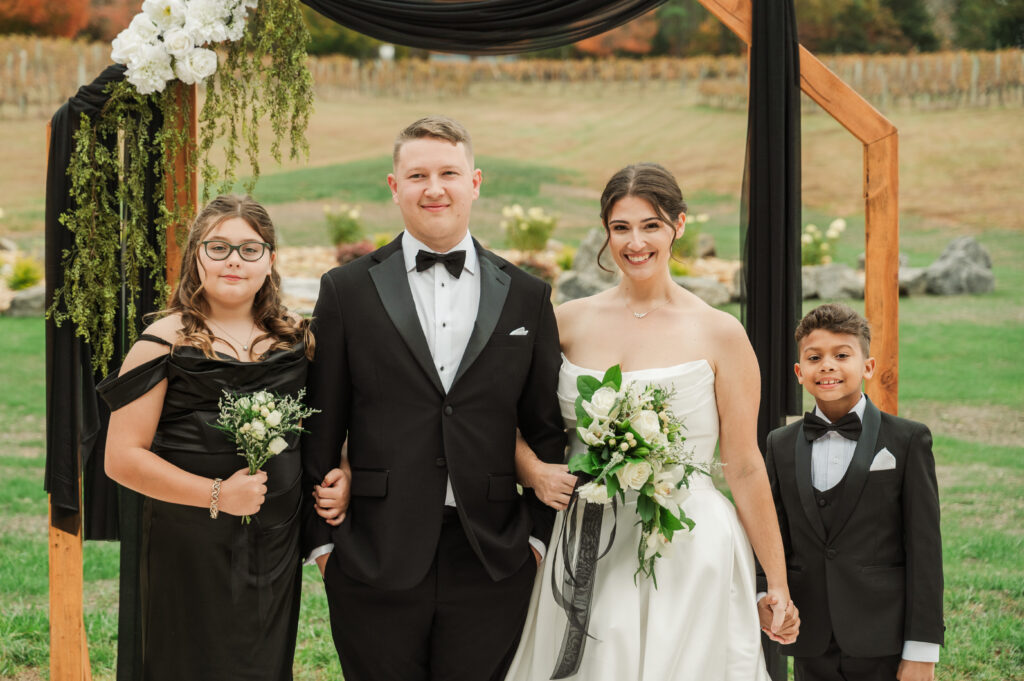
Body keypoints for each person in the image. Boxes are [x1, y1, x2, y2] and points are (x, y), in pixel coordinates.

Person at [506, 163, 798, 680]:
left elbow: (745, 465)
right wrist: (532, 470)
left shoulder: (720, 333)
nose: (635, 242)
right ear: (605, 231)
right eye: (621, 227)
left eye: (651, 225)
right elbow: (504, 415)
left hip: (688, 542)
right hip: (588, 537)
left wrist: (775, 580)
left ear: (678, 226)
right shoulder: (567, 322)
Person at [301, 115, 567, 681]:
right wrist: (325, 548)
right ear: (395, 186)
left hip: (493, 555)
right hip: (374, 548)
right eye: (417, 174)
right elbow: (321, 421)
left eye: (449, 172)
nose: (434, 187)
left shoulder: (526, 295)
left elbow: (544, 428)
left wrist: (537, 543)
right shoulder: (345, 290)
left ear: (475, 181)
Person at [98, 195, 314, 679]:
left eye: (249, 249)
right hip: (188, 542)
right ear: (196, 255)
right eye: (218, 247)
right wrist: (218, 495)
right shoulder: (164, 341)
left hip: (274, 544)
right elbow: (121, 458)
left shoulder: (296, 339)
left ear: (271, 260)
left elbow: (322, 429)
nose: (234, 259)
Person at [760, 303, 943, 681]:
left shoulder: (907, 440)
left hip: (884, 639)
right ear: (799, 372)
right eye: (814, 357)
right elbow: (769, 534)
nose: (827, 365)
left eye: (842, 355)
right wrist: (765, 597)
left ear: (868, 367)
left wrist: (922, 651)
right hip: (808, 636)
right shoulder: (779, 444)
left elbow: (925, 551)